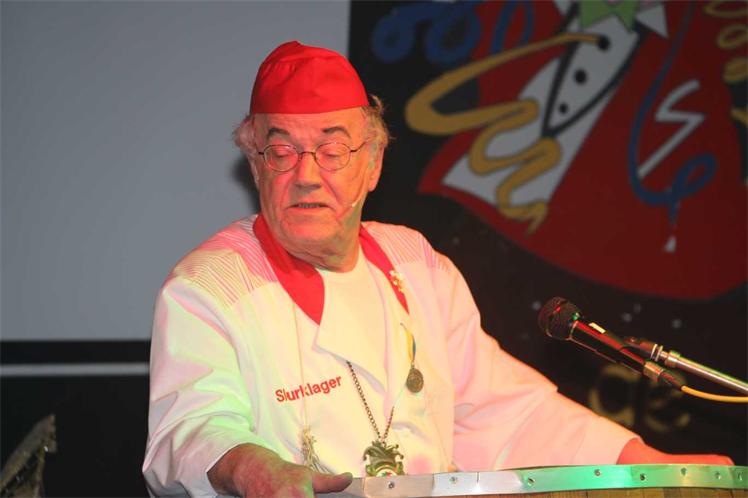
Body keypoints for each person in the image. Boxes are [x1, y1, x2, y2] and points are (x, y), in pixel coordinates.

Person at [142, 41, 732, 498]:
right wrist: (251, 467)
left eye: (332, 149)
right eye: (282, 151)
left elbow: (504, 411)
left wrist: (649, 468)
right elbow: (188, 430)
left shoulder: (415, 262)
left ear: (373, 162)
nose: (307, 175)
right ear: (255, 163)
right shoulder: (209, 287)